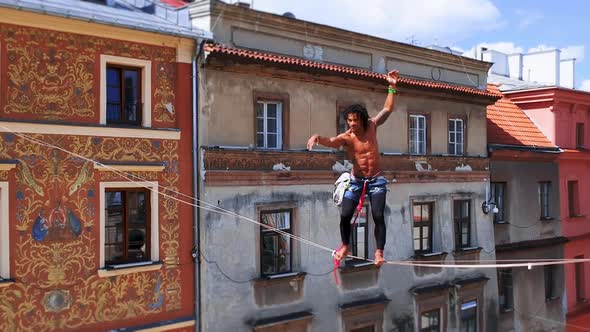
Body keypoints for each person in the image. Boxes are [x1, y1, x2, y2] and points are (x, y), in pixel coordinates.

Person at [307, 70, 399, 266]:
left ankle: (379, 252)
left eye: (355, 120)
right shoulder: (347, 137)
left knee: (377, 215)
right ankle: (346, 245)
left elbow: (388, 109)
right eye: (349, 121)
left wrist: (392, 86)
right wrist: (317, 137)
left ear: (363, 119)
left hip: (376, 179)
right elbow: (332, 141)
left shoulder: (372, 126)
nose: (352, 124)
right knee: (345, 215)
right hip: (356, 180)